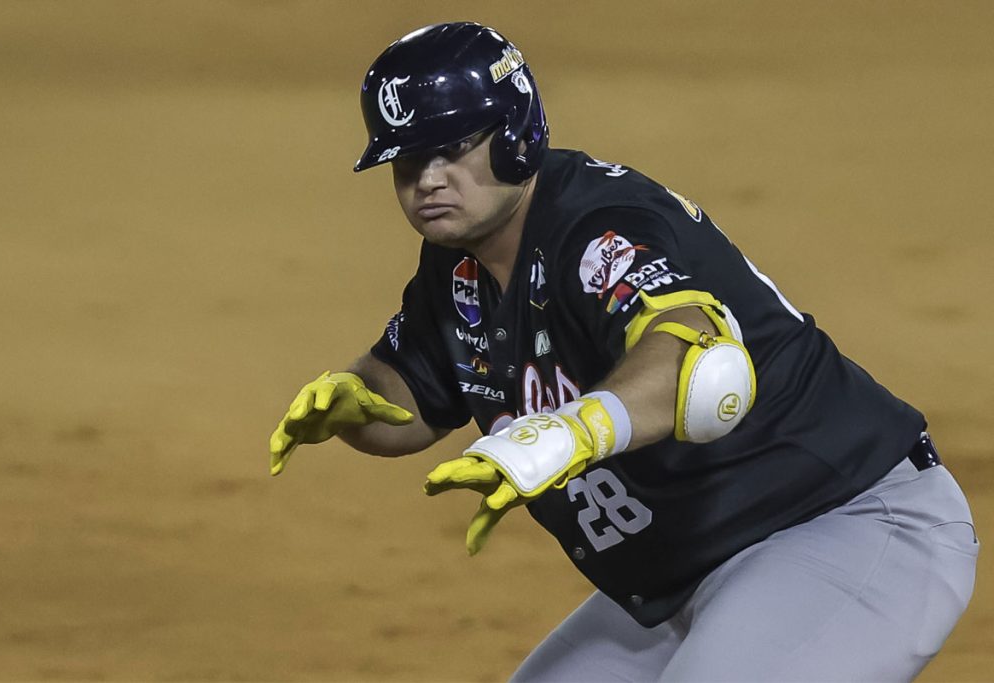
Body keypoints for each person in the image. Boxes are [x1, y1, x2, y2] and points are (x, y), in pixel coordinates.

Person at [269, 22, 978, 682]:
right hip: (689, 571)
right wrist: (355, 401)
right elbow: (414, 398)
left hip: (844, 523)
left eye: (450, 149)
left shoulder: (598, 228)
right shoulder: (457, 266)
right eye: (406, 160)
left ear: (515, 133)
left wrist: (574, 430)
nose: (426, 180)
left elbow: (693, 353)